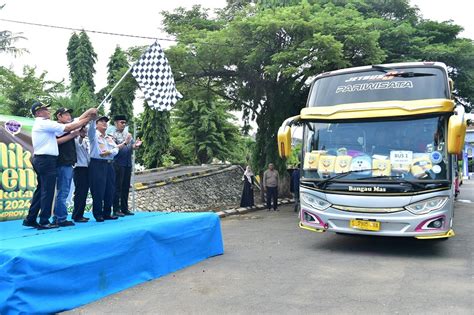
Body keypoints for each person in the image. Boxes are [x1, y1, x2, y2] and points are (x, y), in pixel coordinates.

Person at [22, 102, 96, 229]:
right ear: (38, 113)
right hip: (46, 160)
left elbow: (68, 128)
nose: (48, 110)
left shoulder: (44, 125)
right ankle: (44, 221)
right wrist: (89, 118)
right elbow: (68, 128)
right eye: (45, 109)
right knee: (47, 191)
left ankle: (31, 218)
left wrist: (79, 125)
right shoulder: (44, 123)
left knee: (41, 190)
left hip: (42, 159)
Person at [88, 116, 120, 222]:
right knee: (98, 189)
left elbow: (116, 149)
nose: (104, 123)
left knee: (110, 189)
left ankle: (107, 212)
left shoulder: (108, 137)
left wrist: (110, 152)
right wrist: (92, 119)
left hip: (109, 163)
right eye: (101, 121)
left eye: (106, 121)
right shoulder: (94, 136)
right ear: (96, 124)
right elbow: (91, 130)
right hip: (97, 164)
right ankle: (98, 213)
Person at [52, 107, 80, 227]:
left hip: (67, 163)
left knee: (63, 192)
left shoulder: (66, 129)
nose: (69, 116)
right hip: (62, 163)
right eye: (66, 114)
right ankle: (61, 218)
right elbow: (57, 142)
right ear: (59, 116)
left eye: (69, 114)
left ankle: (57, 217)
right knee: (63, 192)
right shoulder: (57, 128)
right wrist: (72, 134)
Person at [109, 115, 142, 217]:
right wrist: (125, 142)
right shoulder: (112, 135)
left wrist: (135, 145)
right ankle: (116, 209)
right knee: (117, 187)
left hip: (128, 163)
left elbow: (131, 147)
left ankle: (125, 208)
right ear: (115, 123)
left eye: (124, 123)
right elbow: (114, 149)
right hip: (118, 163)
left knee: (126, 186)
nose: (123, 124)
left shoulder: (128, 134)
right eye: (121, 122)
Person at [71, 125, 90, 223]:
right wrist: (81, 135)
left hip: (86, 168)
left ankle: (80, 214)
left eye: (84, 129)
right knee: (80, 193)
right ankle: (77, 215)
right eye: (82, 129)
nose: (84, 131)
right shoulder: (76, 140)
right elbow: (79, 143)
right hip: (79, 168)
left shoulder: (86, 140)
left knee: (84, 192)